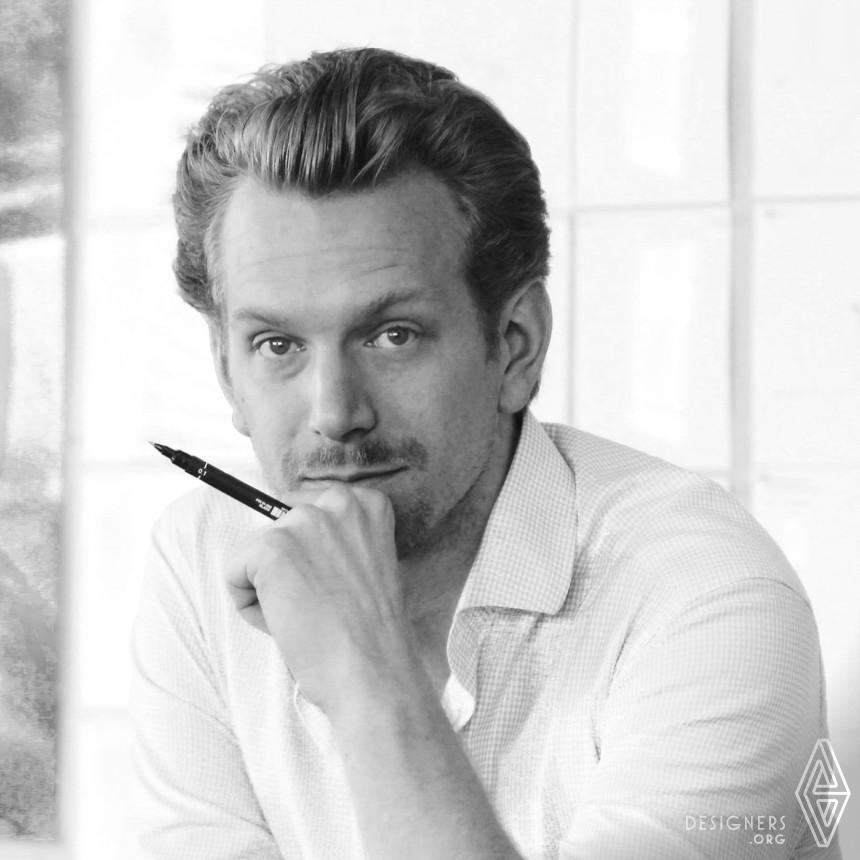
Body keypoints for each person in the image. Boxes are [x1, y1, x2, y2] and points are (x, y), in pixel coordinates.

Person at [129, 48, 839, 859]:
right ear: (227, 369)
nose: (336, 414)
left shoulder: (709, 597)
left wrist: (368, 674)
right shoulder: (202, 556)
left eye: (393, 335)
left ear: (516, 345)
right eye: (277, 344)